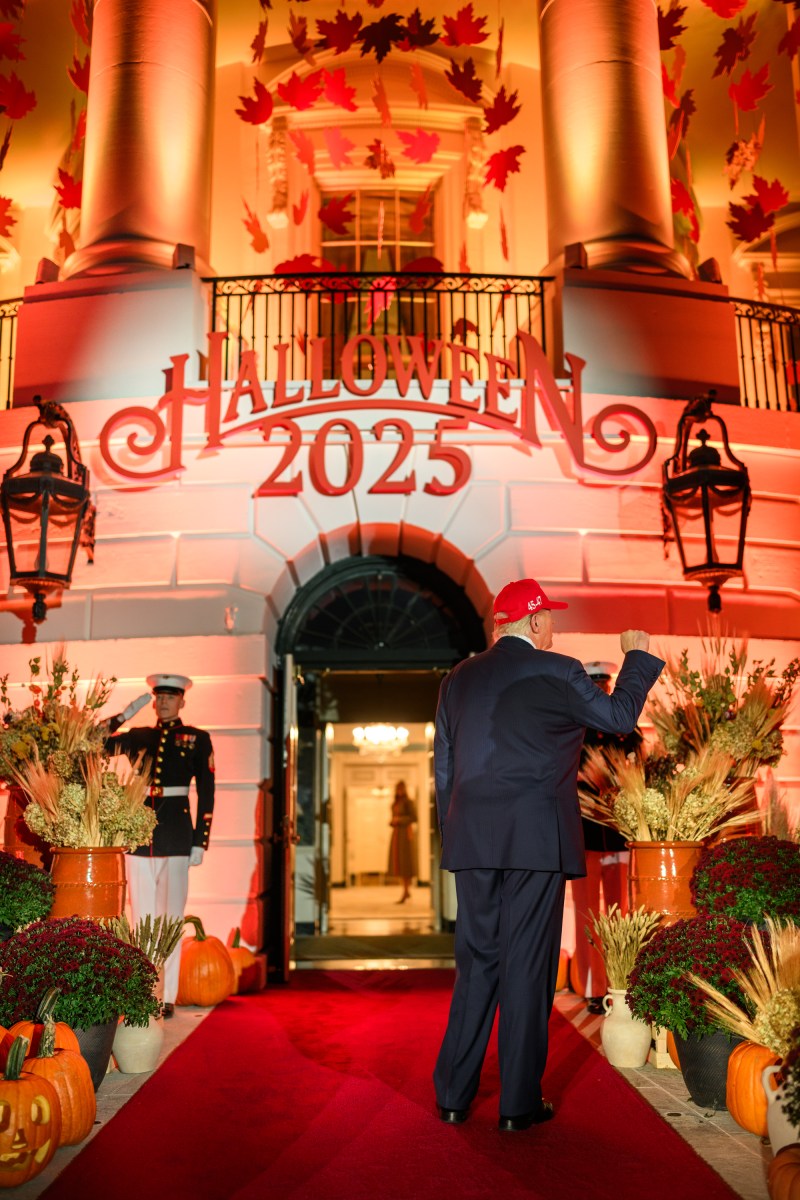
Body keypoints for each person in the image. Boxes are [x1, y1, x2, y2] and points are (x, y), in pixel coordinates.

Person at [432, 577, 664, 1131]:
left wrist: (457, 833)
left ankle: (453, 1097)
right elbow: (617, 719)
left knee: (477, 964)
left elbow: (444, 768)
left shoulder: (458, 678)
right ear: (534, 622)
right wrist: (636, 656)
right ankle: (517, 1105)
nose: (554, 628)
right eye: (550, 619)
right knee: (528, 966)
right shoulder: (558, 670)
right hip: (534, 838)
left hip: (473, 839)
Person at [106, 674, 215, 1017]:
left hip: (178, 834)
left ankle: (166, 995)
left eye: (172, 697)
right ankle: (143, 992)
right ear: (153, 701)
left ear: (182, 701)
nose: (165, 702)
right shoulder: (140, 736)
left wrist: (201, 840)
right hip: (141, 835)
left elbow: (208, 791)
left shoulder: (197, 739)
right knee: (141, 918)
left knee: (169, 917)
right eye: (160, 697)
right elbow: (92, 744)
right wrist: (123, 716)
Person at [573, 661, 643, 1015]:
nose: (601, 692)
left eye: (605, 685)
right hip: (584, 834)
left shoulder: (627, 731)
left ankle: (620, 981)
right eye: (595, 686)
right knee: (587, 915)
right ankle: (592, 986)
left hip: (617, 834)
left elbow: (639, 775)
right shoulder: (575, 728)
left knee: (620, 913)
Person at [388, 780, 418, 903]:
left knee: (405, 864)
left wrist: (399, 820)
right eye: (398, 789)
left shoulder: (408, 802)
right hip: (396, 835)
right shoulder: (395, 803)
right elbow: (393, 817)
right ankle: (406, 891)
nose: (399, 791)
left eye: (401, 788)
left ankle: (406, 892)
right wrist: (393, 821)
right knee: (398, 864)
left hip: (405, 835)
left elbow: (414, 818)